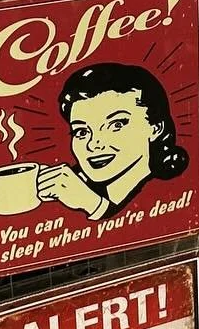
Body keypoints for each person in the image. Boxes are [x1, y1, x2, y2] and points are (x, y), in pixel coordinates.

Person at [33, 63, 189, 221]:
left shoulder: (169, 192)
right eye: (82, 132)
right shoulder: (76, 199)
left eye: (116, 125)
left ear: (155, 128)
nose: (93, 144)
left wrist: (93, 205)